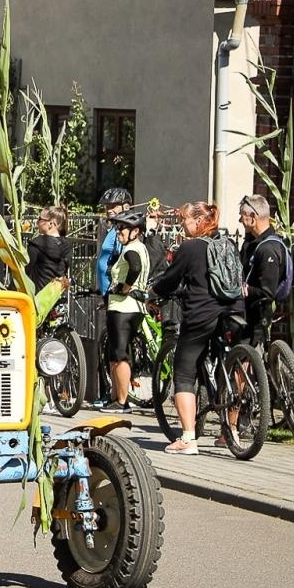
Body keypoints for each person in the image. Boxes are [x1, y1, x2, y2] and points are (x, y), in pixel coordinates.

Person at [149, 201, 243, 454]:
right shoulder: (228, 244)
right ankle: (231, 431)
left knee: (184, 371)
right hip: (234, 309)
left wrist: (153, 292)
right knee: (229, 367)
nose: (182, 227)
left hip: (202, 314)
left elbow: (171, 279)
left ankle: (188, 439)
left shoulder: (190, 248)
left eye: (185, 222)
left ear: (199, 222)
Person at [103, 210, 149, 412]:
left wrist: (124, 287)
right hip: (133, 308)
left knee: (120, 354)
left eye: (122, 228)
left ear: (135, 231)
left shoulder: (132, 249)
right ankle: (116, 398)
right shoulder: (141, 248)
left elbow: (135, 268)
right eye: (116, 227)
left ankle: (122, 402)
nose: (118, 231)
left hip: (123, 307)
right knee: (117, 353)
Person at [238, 194, 288, 345]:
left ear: (253, 217)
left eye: (242, 216)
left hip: (255, 318)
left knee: (243, 364)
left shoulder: (268, 249)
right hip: (245, 311)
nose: (240, 220)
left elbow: (267, 292)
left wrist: (246, 290)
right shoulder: (252, 242)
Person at [95, 187, 132, 296]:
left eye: (113, 206)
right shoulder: (113, 228)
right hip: (107, 293)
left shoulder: (124, 230)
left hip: (116, 293)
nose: (109, 210)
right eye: (107, 206)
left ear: (126, 207)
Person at [25, 206, 71, 289]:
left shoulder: (36, 244)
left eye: (40, 219)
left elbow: (24, 273)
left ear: (51, 224)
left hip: (35, 298)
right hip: (54, 297)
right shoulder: (67, 246)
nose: (37, 222)